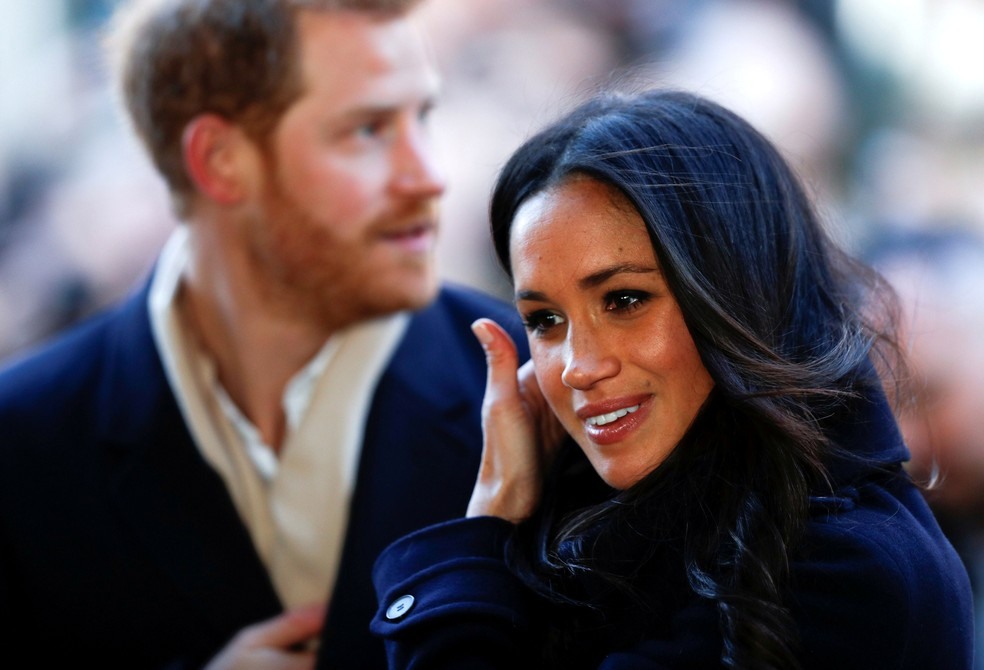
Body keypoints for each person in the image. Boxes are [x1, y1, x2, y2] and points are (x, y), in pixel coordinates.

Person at [0, 1, 525, 668]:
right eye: (368, 130)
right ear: (220, 161)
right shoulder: (20, 445)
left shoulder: (548, 388)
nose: (428, 175)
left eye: (422, 118)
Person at [370, 89, 974, 669]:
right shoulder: (601, 528)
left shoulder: (847, 572)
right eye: (545, 321)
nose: (579, 365)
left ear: (740, 296)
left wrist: (487, 533)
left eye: (625, 300)